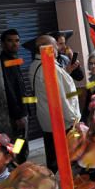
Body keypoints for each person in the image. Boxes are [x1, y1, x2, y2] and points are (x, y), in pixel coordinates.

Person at [28, 35, 81, 174]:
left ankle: (55, 182)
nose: (58, 48)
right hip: (61, 121)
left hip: (47, 119)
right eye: (55, 45)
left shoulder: (35, 65)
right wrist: (74, 119)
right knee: (64, 157)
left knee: (53, 154)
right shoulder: (50, 68)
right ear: (48, 48)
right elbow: (62, 98)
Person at [0, 28, 30, 161]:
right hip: (16, 114)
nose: (14, 44)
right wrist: (18, 115)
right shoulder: (4, 62)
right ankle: (19, 165)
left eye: (17, 41)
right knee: (19, 143)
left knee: (22, 141)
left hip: (22, 110)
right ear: (2, 43)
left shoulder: (14, 59)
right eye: (10, 41)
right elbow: (9, 88)